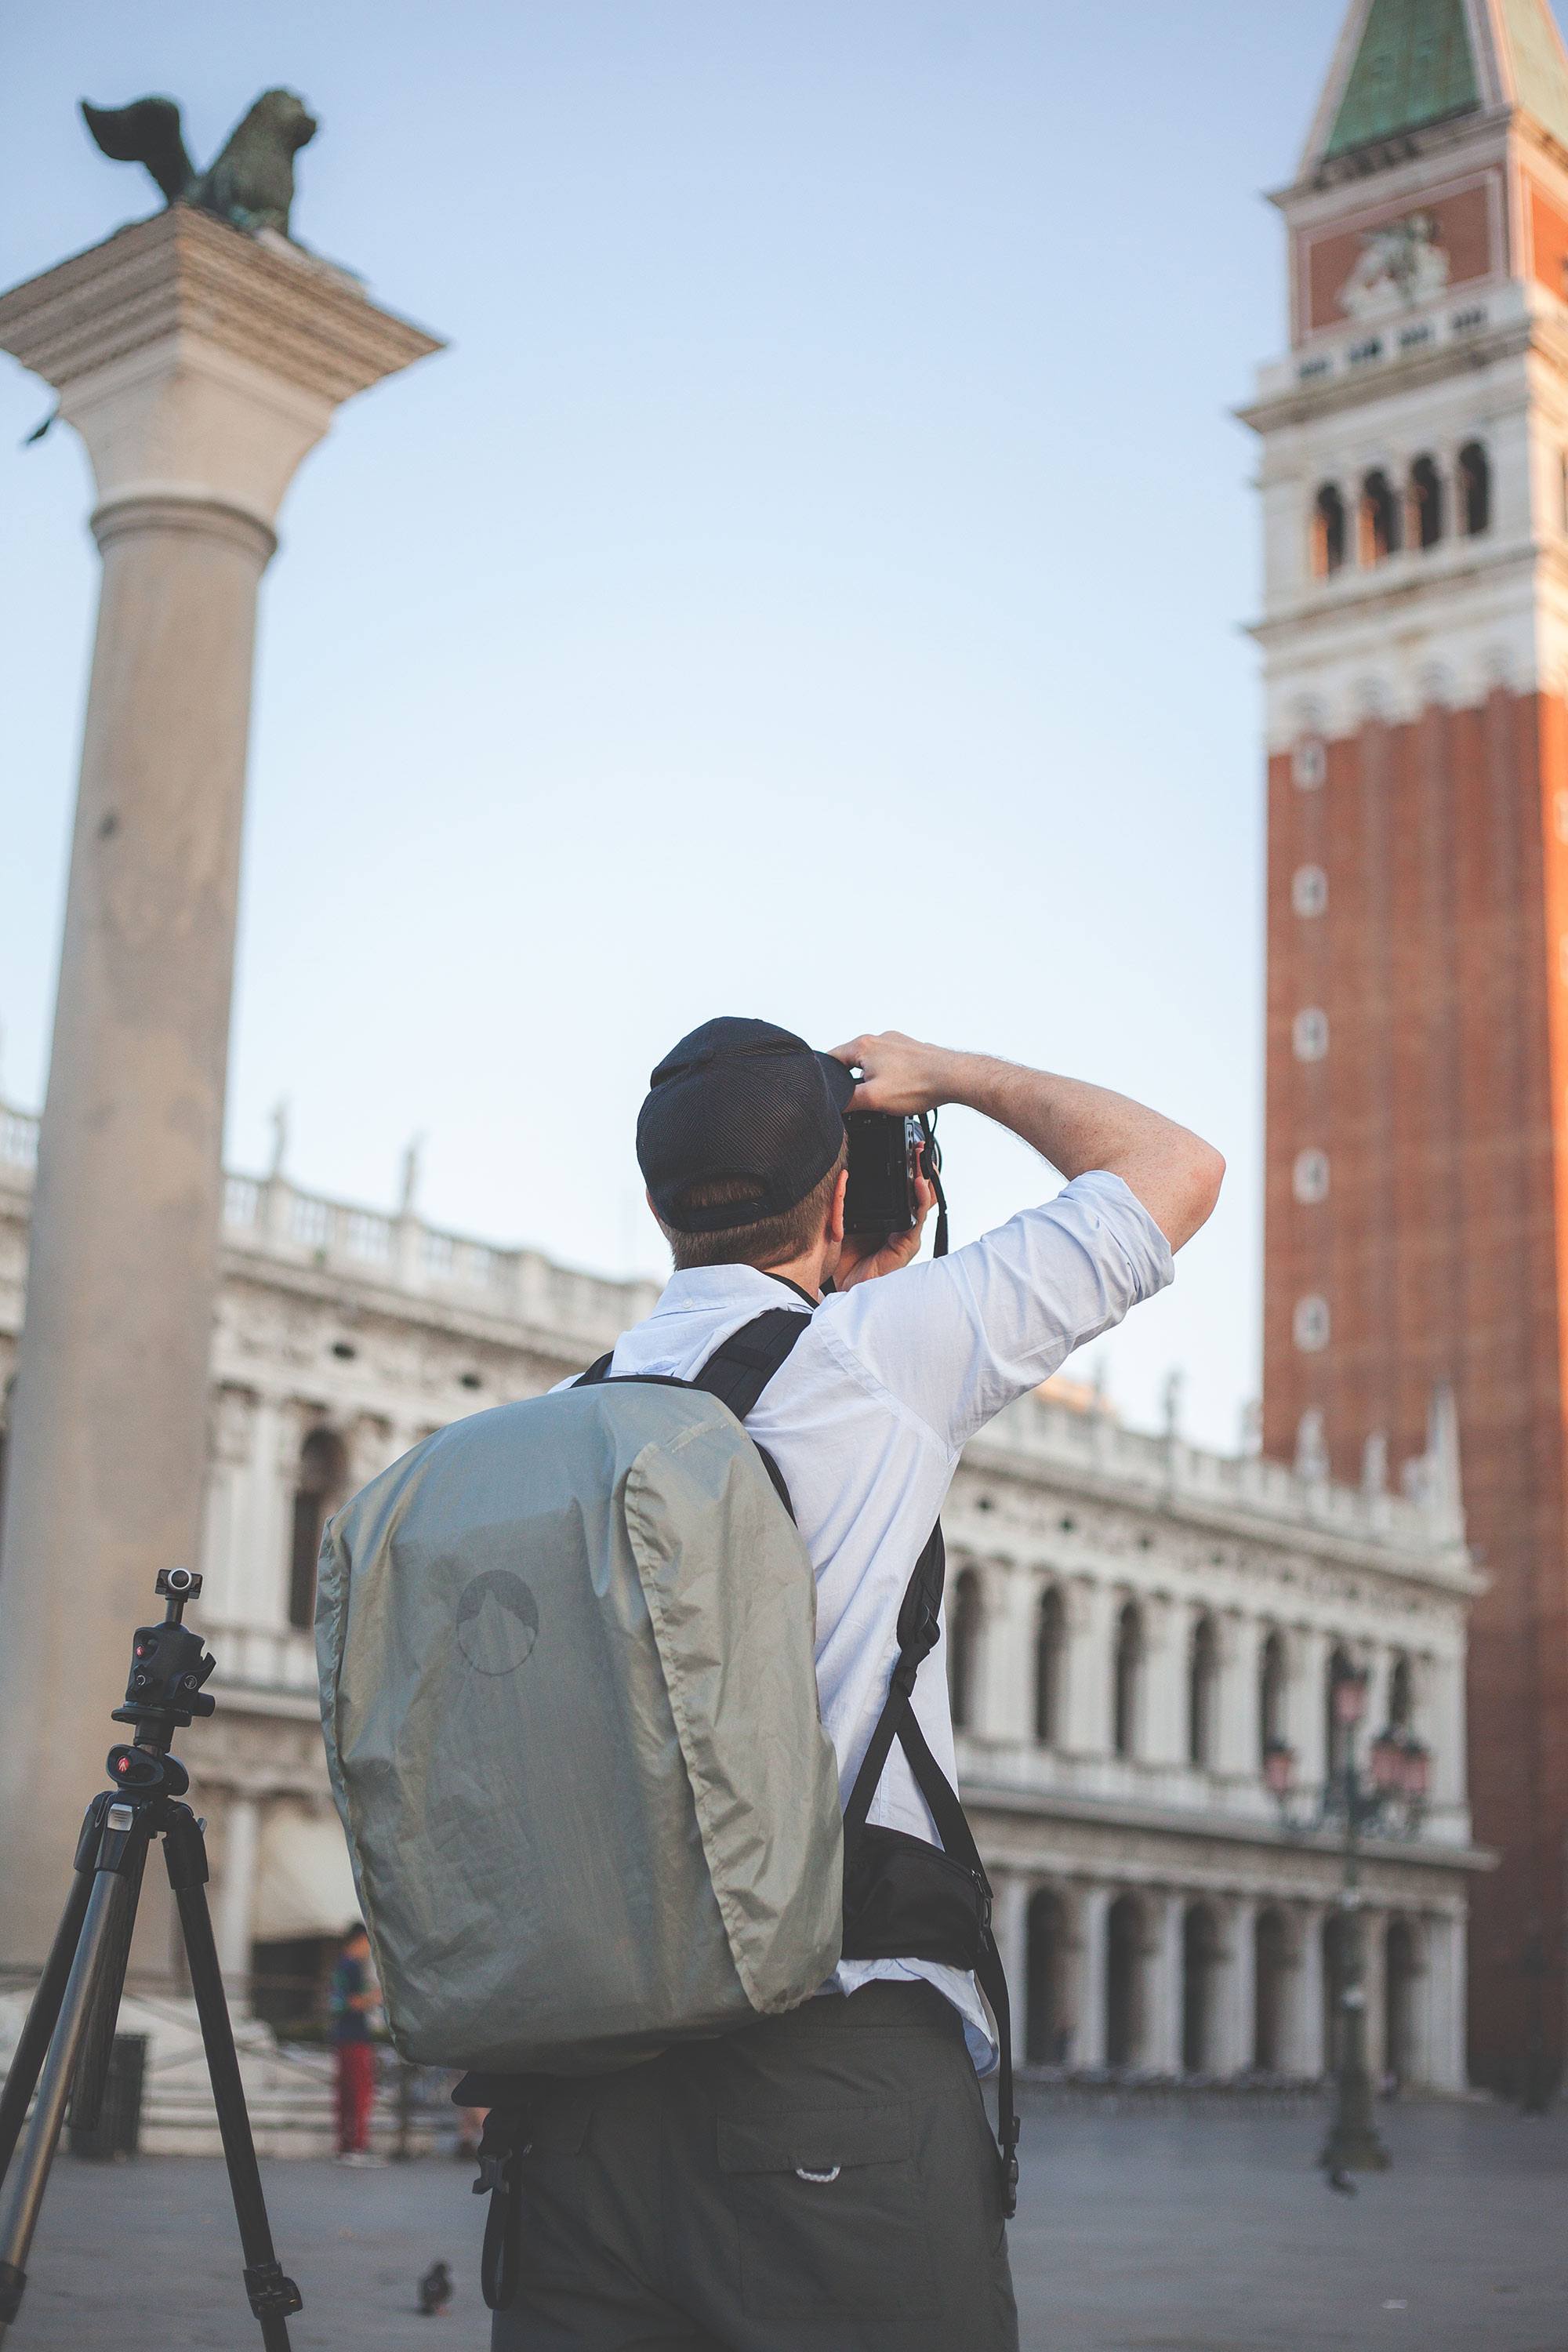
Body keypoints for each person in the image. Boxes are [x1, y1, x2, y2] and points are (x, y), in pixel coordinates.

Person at [496, 1018, 1223, 2352]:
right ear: (838, 1195)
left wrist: (848, 1269)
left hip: (578, 2111)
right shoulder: (874, 1360)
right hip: (826, 2079)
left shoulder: (560, 1413)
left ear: (661, 1204)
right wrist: (950, 1076)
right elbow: (1171, 1169)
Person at [328, 1921, 381, 2165]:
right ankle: (356, 2145)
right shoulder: (351, 1967)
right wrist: (377, 1997)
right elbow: (350, 2002)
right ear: (359, 1940)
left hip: (344, 2035)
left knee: (347, 2093)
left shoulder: (342, 1966)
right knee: (359, 2093)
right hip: (355, 2035)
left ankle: (347, 2145)